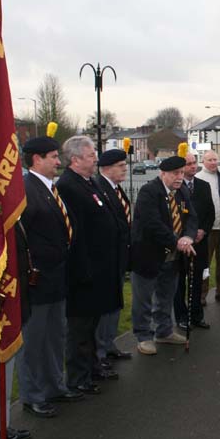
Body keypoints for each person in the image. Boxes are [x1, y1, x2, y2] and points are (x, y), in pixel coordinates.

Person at [16, 134, 84, 419]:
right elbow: (22, 238)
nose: (59, 161)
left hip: (58, 277)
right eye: (54, 157)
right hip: (38, 280)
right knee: (34, 341)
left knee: (56, 335)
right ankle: (33, 395)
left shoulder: (50, 189)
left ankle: (55, 385)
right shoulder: (25, 189)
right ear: (37, 159)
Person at [57, 136, 123, 394]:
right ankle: (78, 377)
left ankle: (93, 367)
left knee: (93, 325)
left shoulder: (88, 183)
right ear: (75, 160)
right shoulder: (68, 187)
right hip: (84, 273)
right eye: (91, 154)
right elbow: (77, 234)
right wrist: (84, 269)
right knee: (80, 329)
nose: (96, 158)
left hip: (101, 268)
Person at [130, 153, 198, 355]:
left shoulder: (182, 191)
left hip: (173, 258)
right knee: (143, 299)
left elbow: (192, 218)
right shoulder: (148, 192)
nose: (179, 177)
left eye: (181, 173)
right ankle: (143, 336)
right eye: (175, 173)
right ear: (163, 173)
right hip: (148, 255)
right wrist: (177, 241)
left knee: (166, 296)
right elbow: (153, 224)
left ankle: (164, 331)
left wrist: (188, 237)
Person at [93, 149, 134, 375]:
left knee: (116, 304)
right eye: (120, 166)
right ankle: (100, 350)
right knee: (105, 307)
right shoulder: (100, 188)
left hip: (119, 257)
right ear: (106, 168)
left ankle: (109, 344)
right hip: (106, 259)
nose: (124, 169)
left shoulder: (116, 189)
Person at [173, 153, 215, 329]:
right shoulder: (176, 187)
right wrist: (186, 235)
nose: (192, 166)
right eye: (188, 164)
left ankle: (197, 315)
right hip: (182, 243)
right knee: (180, 282)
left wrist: (203, 231)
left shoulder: (204, 186)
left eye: (194, 163)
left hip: (200, 241)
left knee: (197, 280)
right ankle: (182, 317)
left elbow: (210, 212)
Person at [196, 150, 220, 304]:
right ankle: (201, 295)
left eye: (215, 159)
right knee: (204, 263)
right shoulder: (199, 179)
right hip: (209, 229)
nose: (213, 162)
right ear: (203, 162)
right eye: (209, 160)